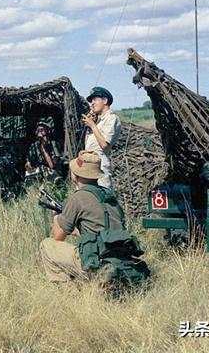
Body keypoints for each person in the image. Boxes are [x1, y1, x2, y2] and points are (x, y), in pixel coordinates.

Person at [39, 150, 125, 282]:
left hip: (96, 261)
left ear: (76, 175)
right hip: (118, 260)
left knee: (46, 245)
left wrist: (56, 217)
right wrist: (78, 232)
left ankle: (65, 290)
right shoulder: (110, 196)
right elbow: (104, 231)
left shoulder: (78, 198)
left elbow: (58, 237)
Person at [81, 86, 121, 189]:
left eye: (95, 100)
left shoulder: (112, 118)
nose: (92, 103)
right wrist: (89, 127)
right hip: (89, 163)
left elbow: (104, 145)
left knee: (102, 197)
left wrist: (92, 126)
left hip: (100, 165)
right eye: (91, 101)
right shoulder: (97, 122)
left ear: (105, 100)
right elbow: (87, 145)